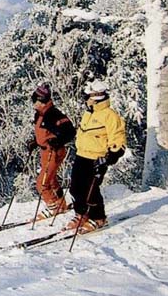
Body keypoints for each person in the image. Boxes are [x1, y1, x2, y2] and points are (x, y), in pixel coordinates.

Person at [65, 80, 126, 234]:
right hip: (81, 155)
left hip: (96, 158)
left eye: (89, 96)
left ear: (97, 96)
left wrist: (113, 154)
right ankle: (81, 214)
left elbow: (117, 137)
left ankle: (98, 217)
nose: (86, 99)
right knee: (75, 187)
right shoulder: (89, 113)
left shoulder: (110, 115)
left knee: (91, 189)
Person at [26, 83, 76, 221]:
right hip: (45, 152)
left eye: (35, 101)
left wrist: (58, 141)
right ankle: (61, 204)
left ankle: (53, 207)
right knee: (51, 179)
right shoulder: (40, 114)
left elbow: (70, 131)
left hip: (53, 152)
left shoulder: (53, 114)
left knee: (42, 183)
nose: (33, 104)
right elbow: (44, 133)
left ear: (42, 101)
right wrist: (35, 142)